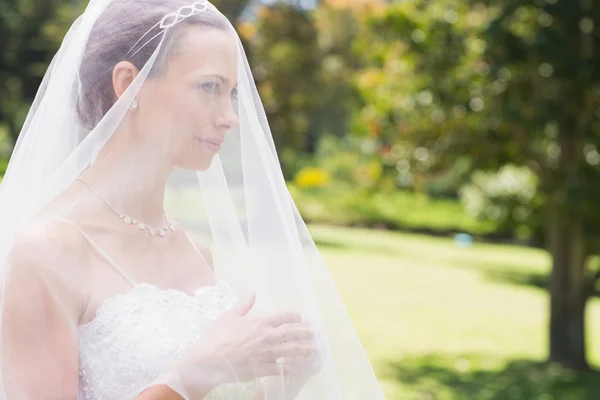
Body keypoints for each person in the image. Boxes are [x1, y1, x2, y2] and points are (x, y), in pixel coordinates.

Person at [0, 1, 385, 399]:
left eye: (231, 93)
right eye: (208, 87)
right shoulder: (47, 251)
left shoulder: (197, 252)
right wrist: (190, 376)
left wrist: (279, 384)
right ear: (128, 83)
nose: (230, 117)